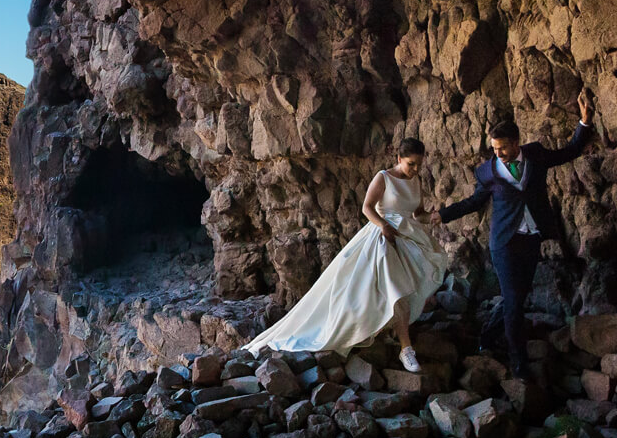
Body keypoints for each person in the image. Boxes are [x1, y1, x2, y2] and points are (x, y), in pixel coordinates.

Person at [245, 139, 449, 374]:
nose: (415, 170)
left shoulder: (416, 181)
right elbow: (367, 207)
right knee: (394, 289)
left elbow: (418, 213)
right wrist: (383, 225)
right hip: (382, 237)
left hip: (407, 238)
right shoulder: (384, 177)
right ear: (399, 159)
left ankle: (391, 332)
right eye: (411, 164)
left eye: (419, 165)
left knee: (403, 288)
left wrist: (433, 217)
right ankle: (405, 348)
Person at [436, 93, 595, 380]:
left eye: (504, 148)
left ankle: (487, 334)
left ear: (516, 142)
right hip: (503, 243)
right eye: (495, 148)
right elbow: (473, 202)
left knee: (516, 300)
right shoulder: (487, 172)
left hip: (531, 239)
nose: (499, 153)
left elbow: (569, 151)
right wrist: (442, 215)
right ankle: (518, 361)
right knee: (513, 299)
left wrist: (584, 122)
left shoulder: (535, 155)